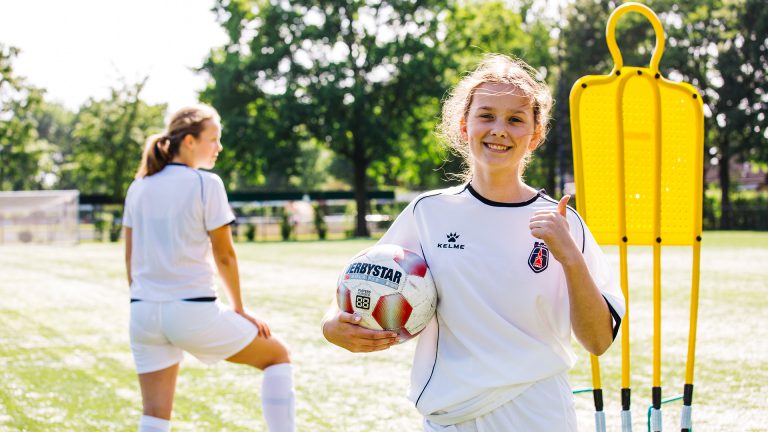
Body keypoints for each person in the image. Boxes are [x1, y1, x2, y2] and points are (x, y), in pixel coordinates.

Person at [322, 55, 625, 431]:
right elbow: (364, 278)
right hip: (452, 416)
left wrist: (571, 258)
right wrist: (332, 324)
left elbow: (598, 341)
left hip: (536, 413)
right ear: (464, 126)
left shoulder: (564, 224)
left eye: (515, 119)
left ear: (535, 135)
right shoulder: (427, 214)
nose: (499, 129)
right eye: (487, 115)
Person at [124, 104, 295, 432]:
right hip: (192, 313)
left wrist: (143, 300)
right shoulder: (206, 183)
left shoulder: (138, 187)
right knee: (278, 355)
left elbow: (130, 259)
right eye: (213, 139)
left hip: (142, 314)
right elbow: (225, 255)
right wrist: (240, 309)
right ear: (189, 141)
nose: (219, 147)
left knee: (154, 416)